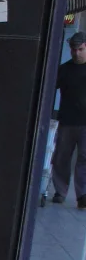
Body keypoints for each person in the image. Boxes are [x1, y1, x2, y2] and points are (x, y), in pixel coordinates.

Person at [51, 30, 86, 207]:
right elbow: (50, 88)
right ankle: (60, 191)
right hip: (67, 120)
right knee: (62, 158)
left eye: (80, 49)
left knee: (84, 158)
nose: (76, 53)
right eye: (74, 49)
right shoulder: (64, 70)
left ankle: (83, 195)